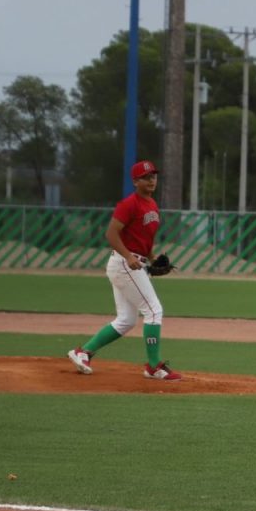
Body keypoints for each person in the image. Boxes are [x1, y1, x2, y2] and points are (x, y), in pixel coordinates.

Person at [67, 160, 182, 381]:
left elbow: (144, 238)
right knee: (153, 310)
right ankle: (153, 366)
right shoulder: (129, 204)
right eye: (146, 177)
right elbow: (111, 234)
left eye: (153, 176)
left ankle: (83, 352)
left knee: (127, 320)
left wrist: (152, 257)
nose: (151, 180)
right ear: (135, 181)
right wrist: (129, 256)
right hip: (125, 263)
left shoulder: (152, 205)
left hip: (134, 262)